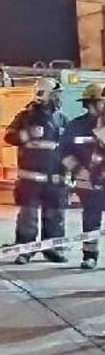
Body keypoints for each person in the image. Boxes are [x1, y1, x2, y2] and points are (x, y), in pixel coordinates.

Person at [4, 77, 69, 264]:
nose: (59, 98)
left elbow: (67, 147)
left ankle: (53, 249)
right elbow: (8, 137)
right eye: (56, 94)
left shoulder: (62, 118)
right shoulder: (25, 116)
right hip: (30, 181)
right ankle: (25, 250)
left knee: (55, 216)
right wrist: (27, 134)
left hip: (55, 181)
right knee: (28, 217)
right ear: (45, 94)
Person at [61, 83, 105, 269]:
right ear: (91, 103)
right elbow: (62, 152)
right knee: (91, 220)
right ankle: (90, 256)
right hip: (88, 183)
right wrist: (78, 170)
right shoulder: (76, 126)